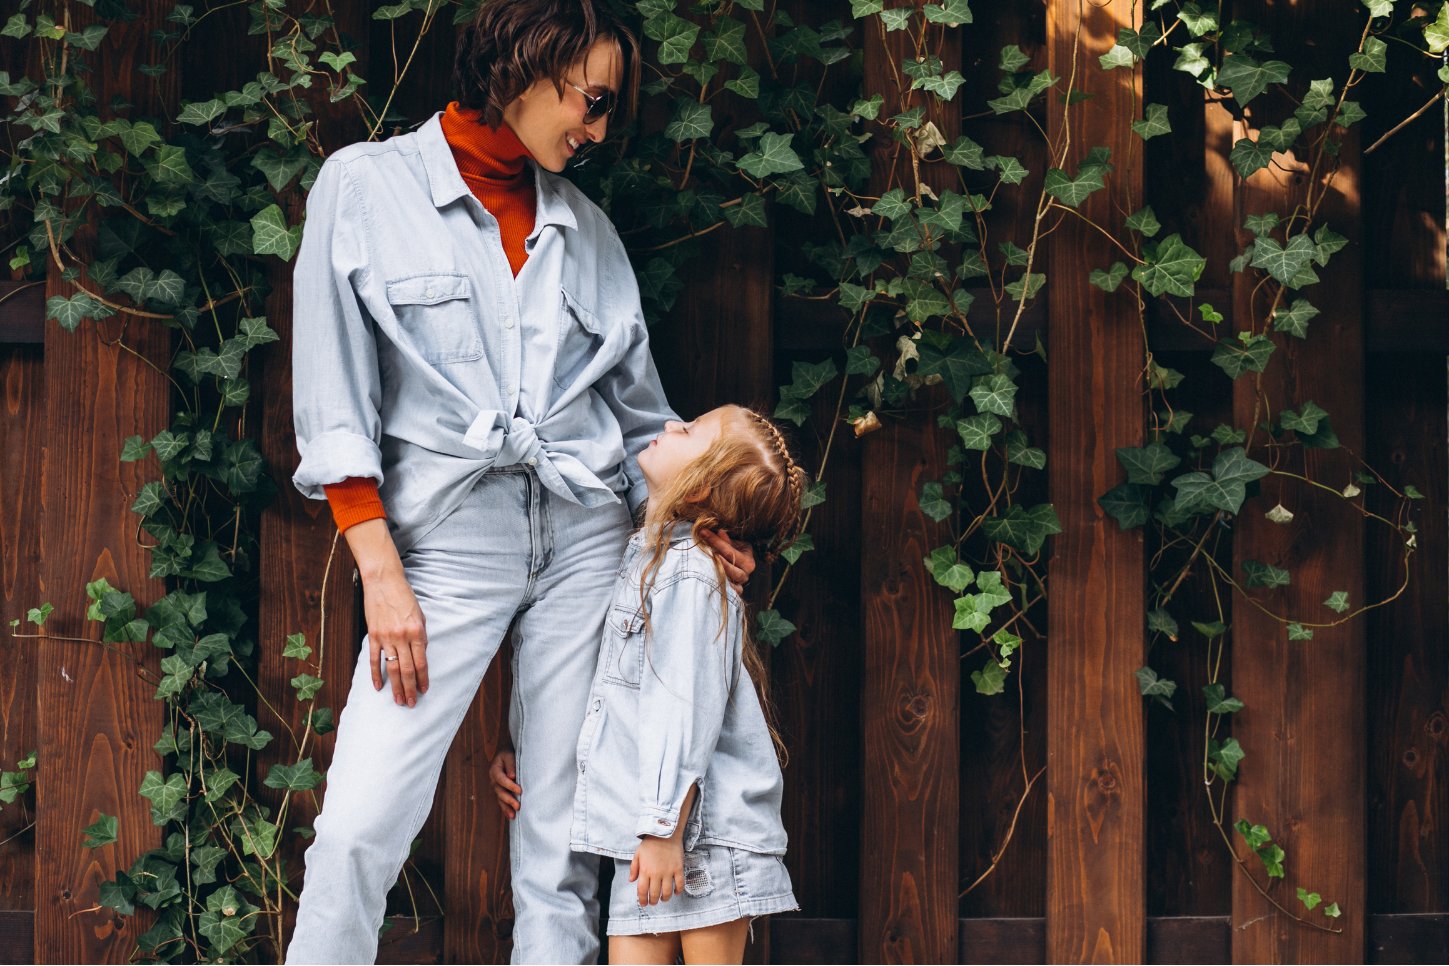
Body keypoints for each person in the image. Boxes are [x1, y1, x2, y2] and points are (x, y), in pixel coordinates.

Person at [285, 3, 752, 963]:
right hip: (445, 550)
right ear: (525, 63)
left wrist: (698, 526)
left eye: (607, 112)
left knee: (558, 845)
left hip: (589, 545)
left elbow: (638, 426)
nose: (596, 130)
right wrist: (379, 569)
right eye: (592, 101)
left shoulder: (589, 233)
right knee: (357, 828)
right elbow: (332, 395)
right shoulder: (366, 188)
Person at [492, 406, 804, 965]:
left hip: (694, 836)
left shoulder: (690, 573)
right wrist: (518, 742)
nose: (668, 425)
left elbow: (681, 709)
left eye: (688, 431)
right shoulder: (647, 557)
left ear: (703, 483)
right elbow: (600, 682)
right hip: (644, 839)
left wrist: (664, 830)